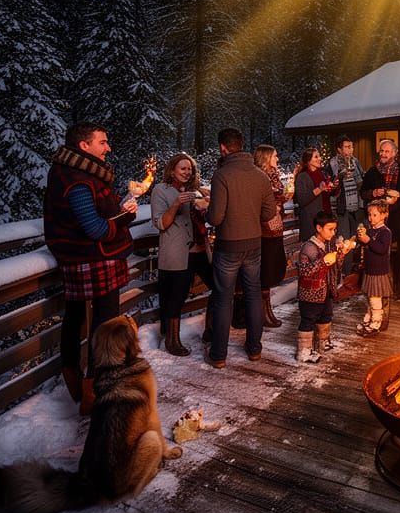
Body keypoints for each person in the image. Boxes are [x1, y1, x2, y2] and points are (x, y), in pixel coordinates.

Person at [44, 122, 138, 415]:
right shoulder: (79, 181)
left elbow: (95, 214)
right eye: (102, 142)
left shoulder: (71, 172)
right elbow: (95, 228)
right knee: (105, 324)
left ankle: (76, 380)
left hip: (77, 258)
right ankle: (94, 391)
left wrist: (120, 209)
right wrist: (122, 219)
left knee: (74, 318)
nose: (108, 147)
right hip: (94, 258)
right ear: (84, 146)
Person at [206, 127, 277, 367]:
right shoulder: (260, 175)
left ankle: (219, 355)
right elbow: (269, 213)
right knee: (253, 294)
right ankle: (254, 349)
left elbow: (215, 217)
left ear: (223, 148)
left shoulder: (222, 175)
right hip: (254, 243)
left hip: (228, 245)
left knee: (223, 298)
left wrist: (206, 211)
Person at [150, 152, 211, 357]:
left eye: (190, 169)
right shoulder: (161, 190)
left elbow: (204, 216)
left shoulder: (195, 191)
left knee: (219, 286)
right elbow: (161, 224)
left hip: (201, 250)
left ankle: (211, 330)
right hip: (178, 253)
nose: (187, 172)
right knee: (176, 296)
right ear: (172, 170)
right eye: (183, 168)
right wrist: (176, 204)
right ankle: (172, 340)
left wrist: (207, 202)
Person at [295, 212, 355, 363]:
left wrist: (341, 254)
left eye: (335, 229)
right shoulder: (308, 247)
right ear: (319, 228)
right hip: (311, 294)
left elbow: (336, 266)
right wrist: (323, 262)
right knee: (308, 320)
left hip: (326, 290)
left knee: (326, 316)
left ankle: (322, 343)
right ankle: (304, 351)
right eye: (330, 229)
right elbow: (304, 272)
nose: (333, 233)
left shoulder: (329, 244)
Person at [360, 138, 400, 302]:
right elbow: (363, 193)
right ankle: (378, 290)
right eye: (382, 151)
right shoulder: (372, 172)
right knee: (376, 254)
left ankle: (398, 291)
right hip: (377, 222)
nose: (383, 154)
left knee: (398, 255)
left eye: (387, 151)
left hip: (398, 220)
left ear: (394, 153)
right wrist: (373, 193)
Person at [254, 144, 292, 329]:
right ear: (266, 158)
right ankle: (262, 312)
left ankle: (267, 309)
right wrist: (274, 205)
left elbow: (277, 198)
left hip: (276, 226)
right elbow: (260, 202)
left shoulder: (275, 176)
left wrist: (284, 198)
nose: (277, 159)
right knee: (266, 271)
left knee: (274, 268)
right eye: (275, 156)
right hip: (264, 230)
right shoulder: (258, 177)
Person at [327, 135, 365, 275]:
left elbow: (361, 182)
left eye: (351, 147)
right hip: (341, 208)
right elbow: (330, 187)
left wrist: (359, 179)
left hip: (356, 207)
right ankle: (345, 273)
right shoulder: (332, 164)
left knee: (357, 238)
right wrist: (339, 177)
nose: (351, 150)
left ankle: (355, 272)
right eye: (347, 147)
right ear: (339, 149)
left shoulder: (355, 161)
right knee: (344, 241)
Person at [355, 201, 393, 336]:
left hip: (379, 272)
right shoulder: (370, 230)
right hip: (370, 270)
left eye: (374, 215)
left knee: (375, 299)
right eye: (369, 215)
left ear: (384, 215)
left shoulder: (385, 232)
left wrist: (368, 240)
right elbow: (366, 246)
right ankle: (369, 319)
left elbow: (382, 249)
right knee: (370, 298)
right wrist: (360, 240)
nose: (371, 218)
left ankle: (376, 323)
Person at [293, 147, 336, 242]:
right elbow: (302, 200)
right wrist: (319, 189)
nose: (319, 159)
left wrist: (334, 187)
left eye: (319, 156)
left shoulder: (321, 174)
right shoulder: (302, 176)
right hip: (311, 220)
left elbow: (327, 195)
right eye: (316, 157)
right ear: (308, 160)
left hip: (324, 217)